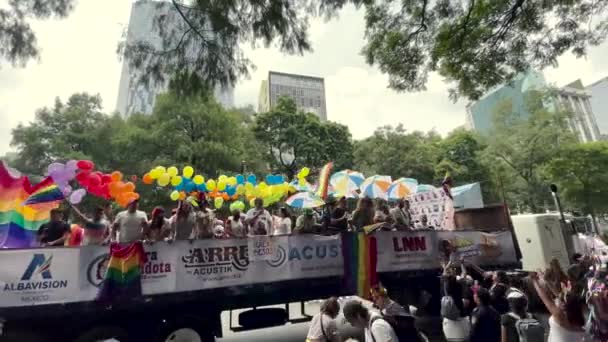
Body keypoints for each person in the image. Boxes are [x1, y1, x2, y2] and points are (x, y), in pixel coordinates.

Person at [531, 271, 587, 342]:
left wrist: (534, 280)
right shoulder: (576, 321)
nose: (557, 299)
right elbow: (559, 296)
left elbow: (545, 298)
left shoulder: (560, 316)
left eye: (561, 300)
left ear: (564, 305)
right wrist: (547, 282)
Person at [441, 274, 471, 342]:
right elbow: (464, 277)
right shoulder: (459, 286)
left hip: (450, 314)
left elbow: (444, 277)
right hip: (459, 311)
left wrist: (445, 267)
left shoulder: (447, 288)